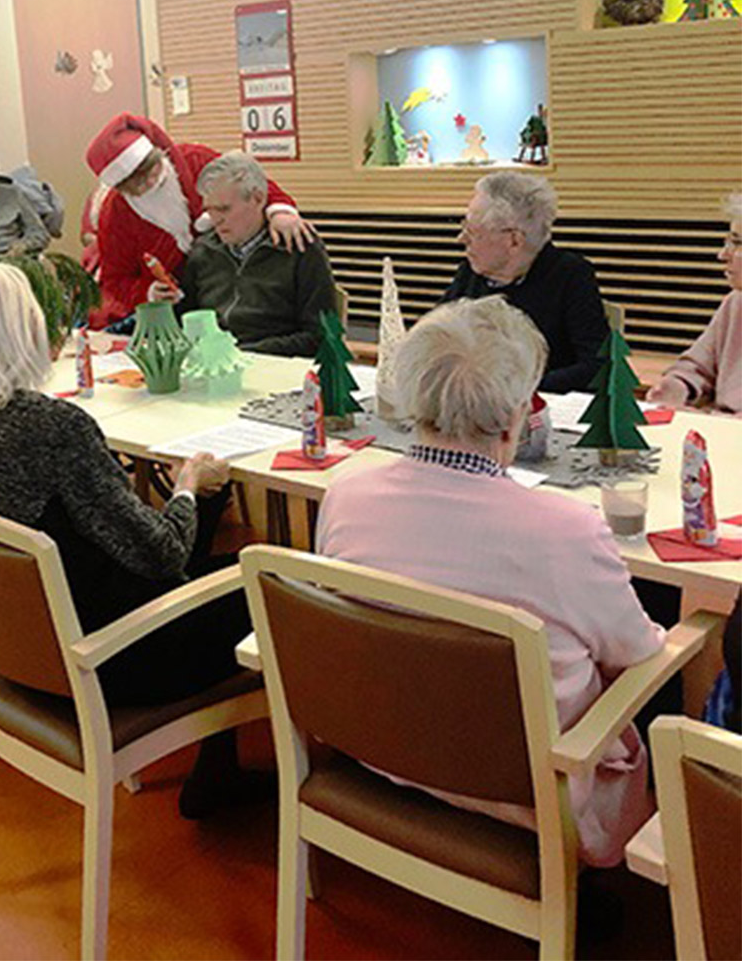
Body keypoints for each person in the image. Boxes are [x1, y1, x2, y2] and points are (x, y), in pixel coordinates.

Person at [316, 296, 666, 868]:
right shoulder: (567, 531)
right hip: (531, 789)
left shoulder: (344, 497)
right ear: (516, 416)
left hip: (381, 748)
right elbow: (640, 652)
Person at [0, 262, 262, 817]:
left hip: (14, 646)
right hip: (109, 658)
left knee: (207, 567)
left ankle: (220, 769)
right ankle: (256, 770)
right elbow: (161, 554)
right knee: (256, 578)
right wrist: (190, 488)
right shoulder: (53, 427)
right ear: (25, 330)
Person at [84, 113, 315, 319]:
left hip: (228, 285)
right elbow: (115, 280)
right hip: (176, 309)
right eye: (139, 184)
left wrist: (280, 210)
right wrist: (148, 291)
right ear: (121, 187)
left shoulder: (194, 160)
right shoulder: (114, 216)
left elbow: (248, 182)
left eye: (152, 171)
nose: (151, 182)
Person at [440, 172, 609, 393]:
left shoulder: (569, 275)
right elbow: (433, 334)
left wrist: (515, 392)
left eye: (472, 231)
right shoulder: (472, 270)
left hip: (539, 409)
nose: (461, 239)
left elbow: (596, 365)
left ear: (514, 240)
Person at [177, 151, 337, 357]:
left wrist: (242, 354)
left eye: (224, 209)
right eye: (210, 210)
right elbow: (184, 320)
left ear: (258, 199)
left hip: (276, 364)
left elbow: (320, 336)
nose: (216, 220)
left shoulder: (298, 247)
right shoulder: (203, 250)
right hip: (214, 365)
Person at [648, 191, 741, 414]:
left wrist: (707, 418)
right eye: (728, 240)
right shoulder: (734, 304)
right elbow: (696, 366)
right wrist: (677, 386)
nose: (722, 255)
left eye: (737, 243)